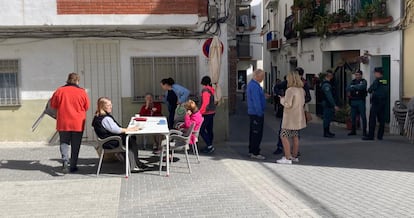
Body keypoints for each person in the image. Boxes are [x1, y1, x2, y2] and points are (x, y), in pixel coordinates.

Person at [92, 97, 148, 172]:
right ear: (103, 106)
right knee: (130, 140)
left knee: (129, 137)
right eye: (108, 105)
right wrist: (130, 129)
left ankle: (135, 162)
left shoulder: (98, 116)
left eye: (111, 104)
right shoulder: (105, 119)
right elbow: (117, 130)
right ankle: (133, 166)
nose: (111, 106)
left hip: (107, 140)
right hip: (110, 142)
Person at [50, 72, 90, 174]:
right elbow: (86, 107)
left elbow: (53, 105)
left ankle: (65, 162)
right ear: (77, 81)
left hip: (63, 122)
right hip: (78, 122)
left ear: (67, 80)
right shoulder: (82, 92)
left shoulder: (60, 90)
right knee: (76, 145)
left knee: (64, 143)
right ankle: (73, 166)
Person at [276, 72, 306, 164]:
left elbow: (287, 104)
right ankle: (294, 156)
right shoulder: (301, 90)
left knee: (283, 136)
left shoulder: (290, 90)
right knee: (295, 136)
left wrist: (281, 99)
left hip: (290, 118)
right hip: (298, 117)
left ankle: (288, 157)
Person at [363, 67, 388, 140]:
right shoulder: (385, 80)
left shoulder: (377, 81)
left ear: (378, 73)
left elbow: (370, 89)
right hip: (383, 102)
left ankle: (371, 135)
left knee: (372, 119)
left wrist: (369, 90)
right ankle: (380, 136)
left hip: (376, 102)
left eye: (375, 73)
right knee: (381, 120)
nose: (374, 74)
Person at [247, 69, 267, 160]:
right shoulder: (255, 86)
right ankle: (255, 152)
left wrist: (263, 96)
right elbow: (256, 101)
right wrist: (260, 113)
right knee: (256, 133)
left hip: (253, 113)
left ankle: (251, 150)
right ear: (257, 76)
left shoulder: (253, 84)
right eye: (262, 77)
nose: (263, 79)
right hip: (256, 113)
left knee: (253, 132)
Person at [346, 70, 368, 136]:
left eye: (358, 75)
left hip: (360, 101)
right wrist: (355, 87)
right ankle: (353, 131)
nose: (357, 76)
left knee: (363, 116)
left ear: (361, 75)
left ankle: (364, 131)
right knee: (353, 116)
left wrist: (353, 87)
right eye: (356, 75)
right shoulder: (353, 81)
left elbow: (362, 87)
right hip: (353, 101)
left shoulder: (364, 81)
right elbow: (347, 88)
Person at [199, 76, 216, 153]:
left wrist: (200, 112)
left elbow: (205, 103)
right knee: (209, 130)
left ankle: (209, 145)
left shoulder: (205, 90)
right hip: (212, 112)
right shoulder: (211, 90)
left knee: (201, 130)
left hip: (206, 113)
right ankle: (210, 145)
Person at [321, 70, 340, 137]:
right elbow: (329, 96)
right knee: (327, 118)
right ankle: (326, 132)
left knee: (328, 118)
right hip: (327, 103)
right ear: (330, 76)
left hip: (327, 103)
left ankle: (327, 131)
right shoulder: (326, 85)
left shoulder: (326, 83)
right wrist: (334, 105)